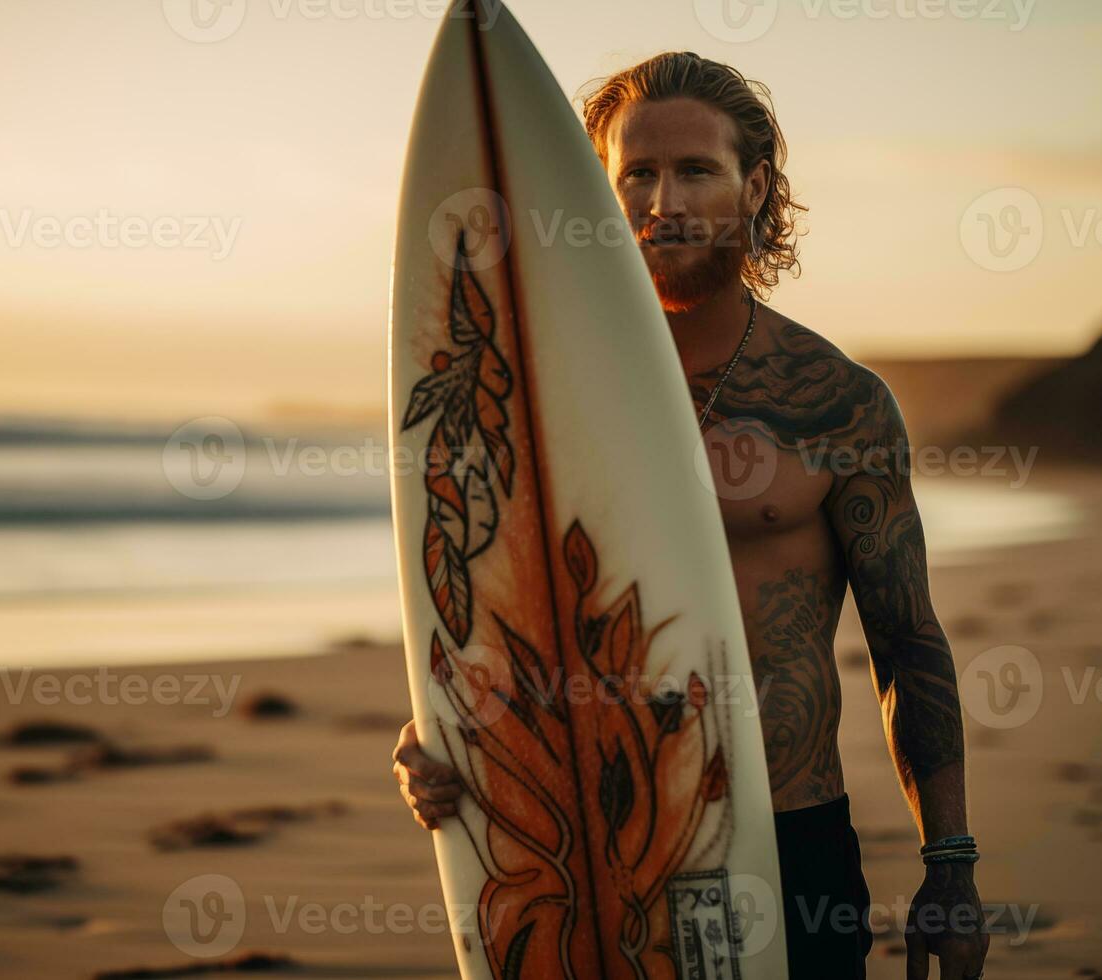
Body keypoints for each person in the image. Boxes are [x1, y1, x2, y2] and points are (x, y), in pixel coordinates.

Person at [392, 51, 989, 980]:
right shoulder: (536, 405)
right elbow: (482, 605)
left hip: (788, 846)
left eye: (695, 170)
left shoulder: (836, 403)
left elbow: (907, 643)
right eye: (636, 173)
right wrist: (437, 739)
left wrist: (949, 863)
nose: (661, 198)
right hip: (587, 854)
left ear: (754, 188)